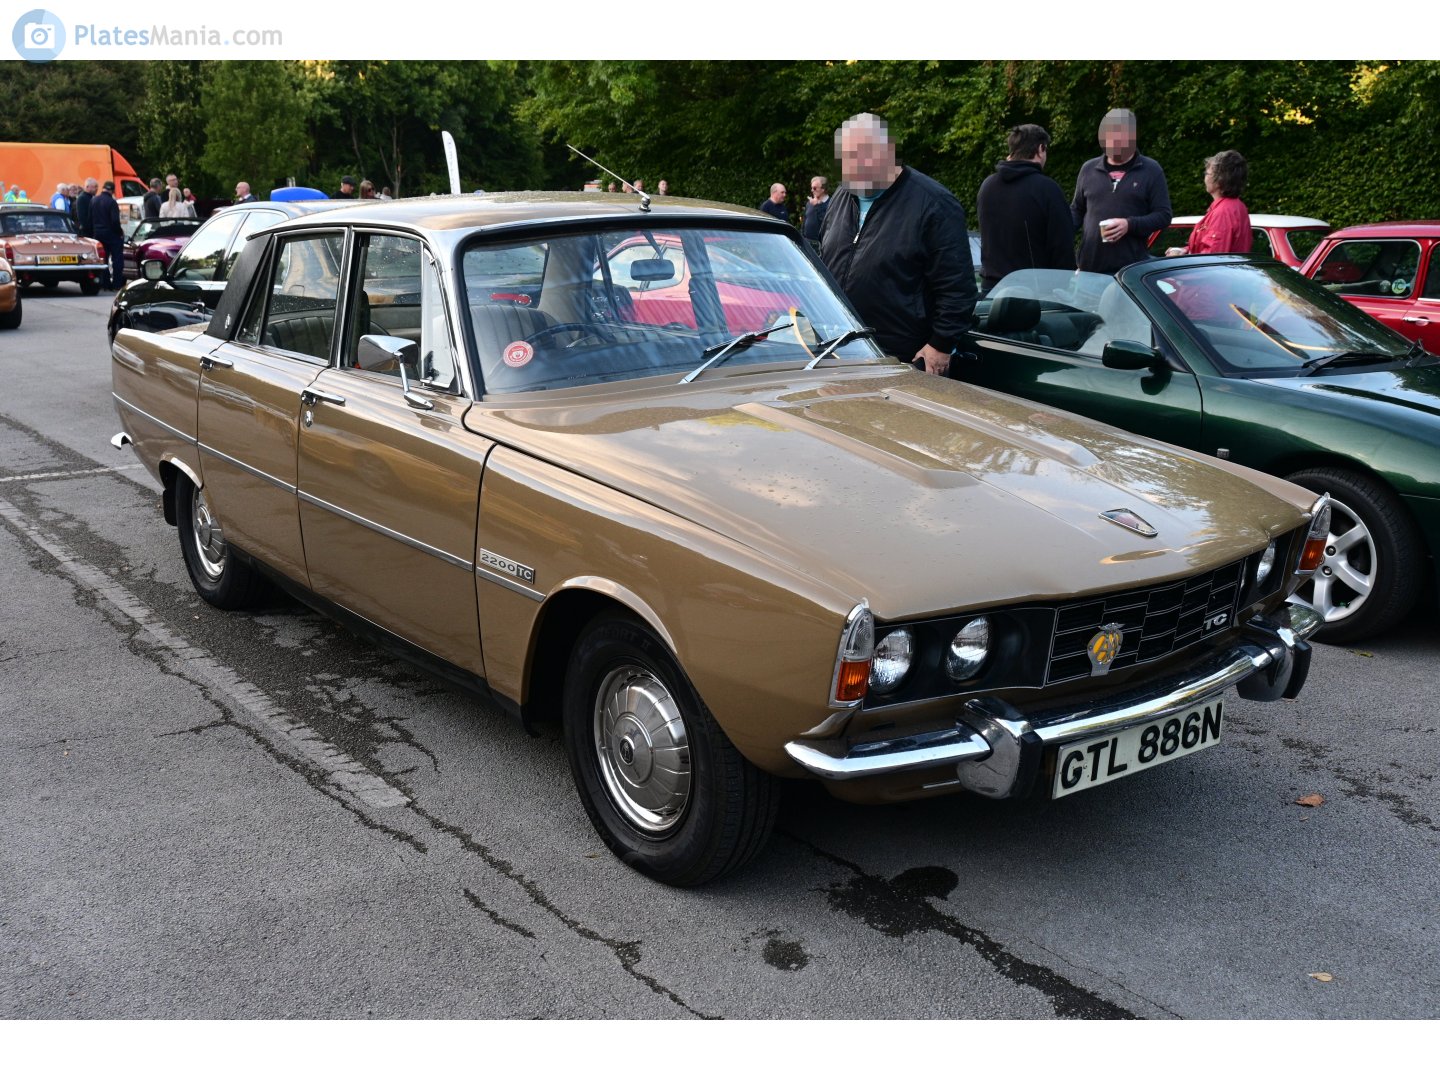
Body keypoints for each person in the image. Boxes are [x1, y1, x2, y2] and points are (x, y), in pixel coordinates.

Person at [818, 113, 977, 376]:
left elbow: (958, 287)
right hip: (840, 357)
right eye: (846, 157)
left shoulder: (933, 203)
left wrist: (940, 345)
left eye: (861, 155)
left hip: (903, 363)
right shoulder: (842, 196)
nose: (852, 167)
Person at [1071, 108, 1172, 274]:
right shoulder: (1088, 169)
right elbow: (1077, 210)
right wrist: (1058, 231)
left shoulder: (1151, 170)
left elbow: (1163, 215)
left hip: (1130, 273)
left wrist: (1129, 224)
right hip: (1089, 269)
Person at [976, 124, 1076, 292]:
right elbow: (1062, 247)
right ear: (1040, 149)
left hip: (991, 293)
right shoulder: (1047, 189)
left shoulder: (987, 187)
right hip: (1035, 296)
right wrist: (1063, 288)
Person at [1166, 150, 1251, 256]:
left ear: (1220, 179)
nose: (1204, 177)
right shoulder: (1236, 206)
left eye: (1207, 173)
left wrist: (1181, 259)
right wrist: (1185, 250)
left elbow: (1211, 258)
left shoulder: (1223, 212)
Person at [91, 181, 125, 290]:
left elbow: (89, 219)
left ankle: (105, 284)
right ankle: (116, 284)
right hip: (112, 235)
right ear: (112, 190)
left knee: (103, 260)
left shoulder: (93, 200)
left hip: (98, 234)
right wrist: (120, 232)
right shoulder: (112, 202)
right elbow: (115, 221)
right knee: (117, 260)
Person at [802, 176, 829, 249]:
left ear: (823, 188)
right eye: (811, 188)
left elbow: (826, 222)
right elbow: (804, 221)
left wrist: (817, 206)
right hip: (807, 242)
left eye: (814, 188)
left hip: (821, 245)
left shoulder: (830, 204)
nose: (812, 190)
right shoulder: (809, 203)